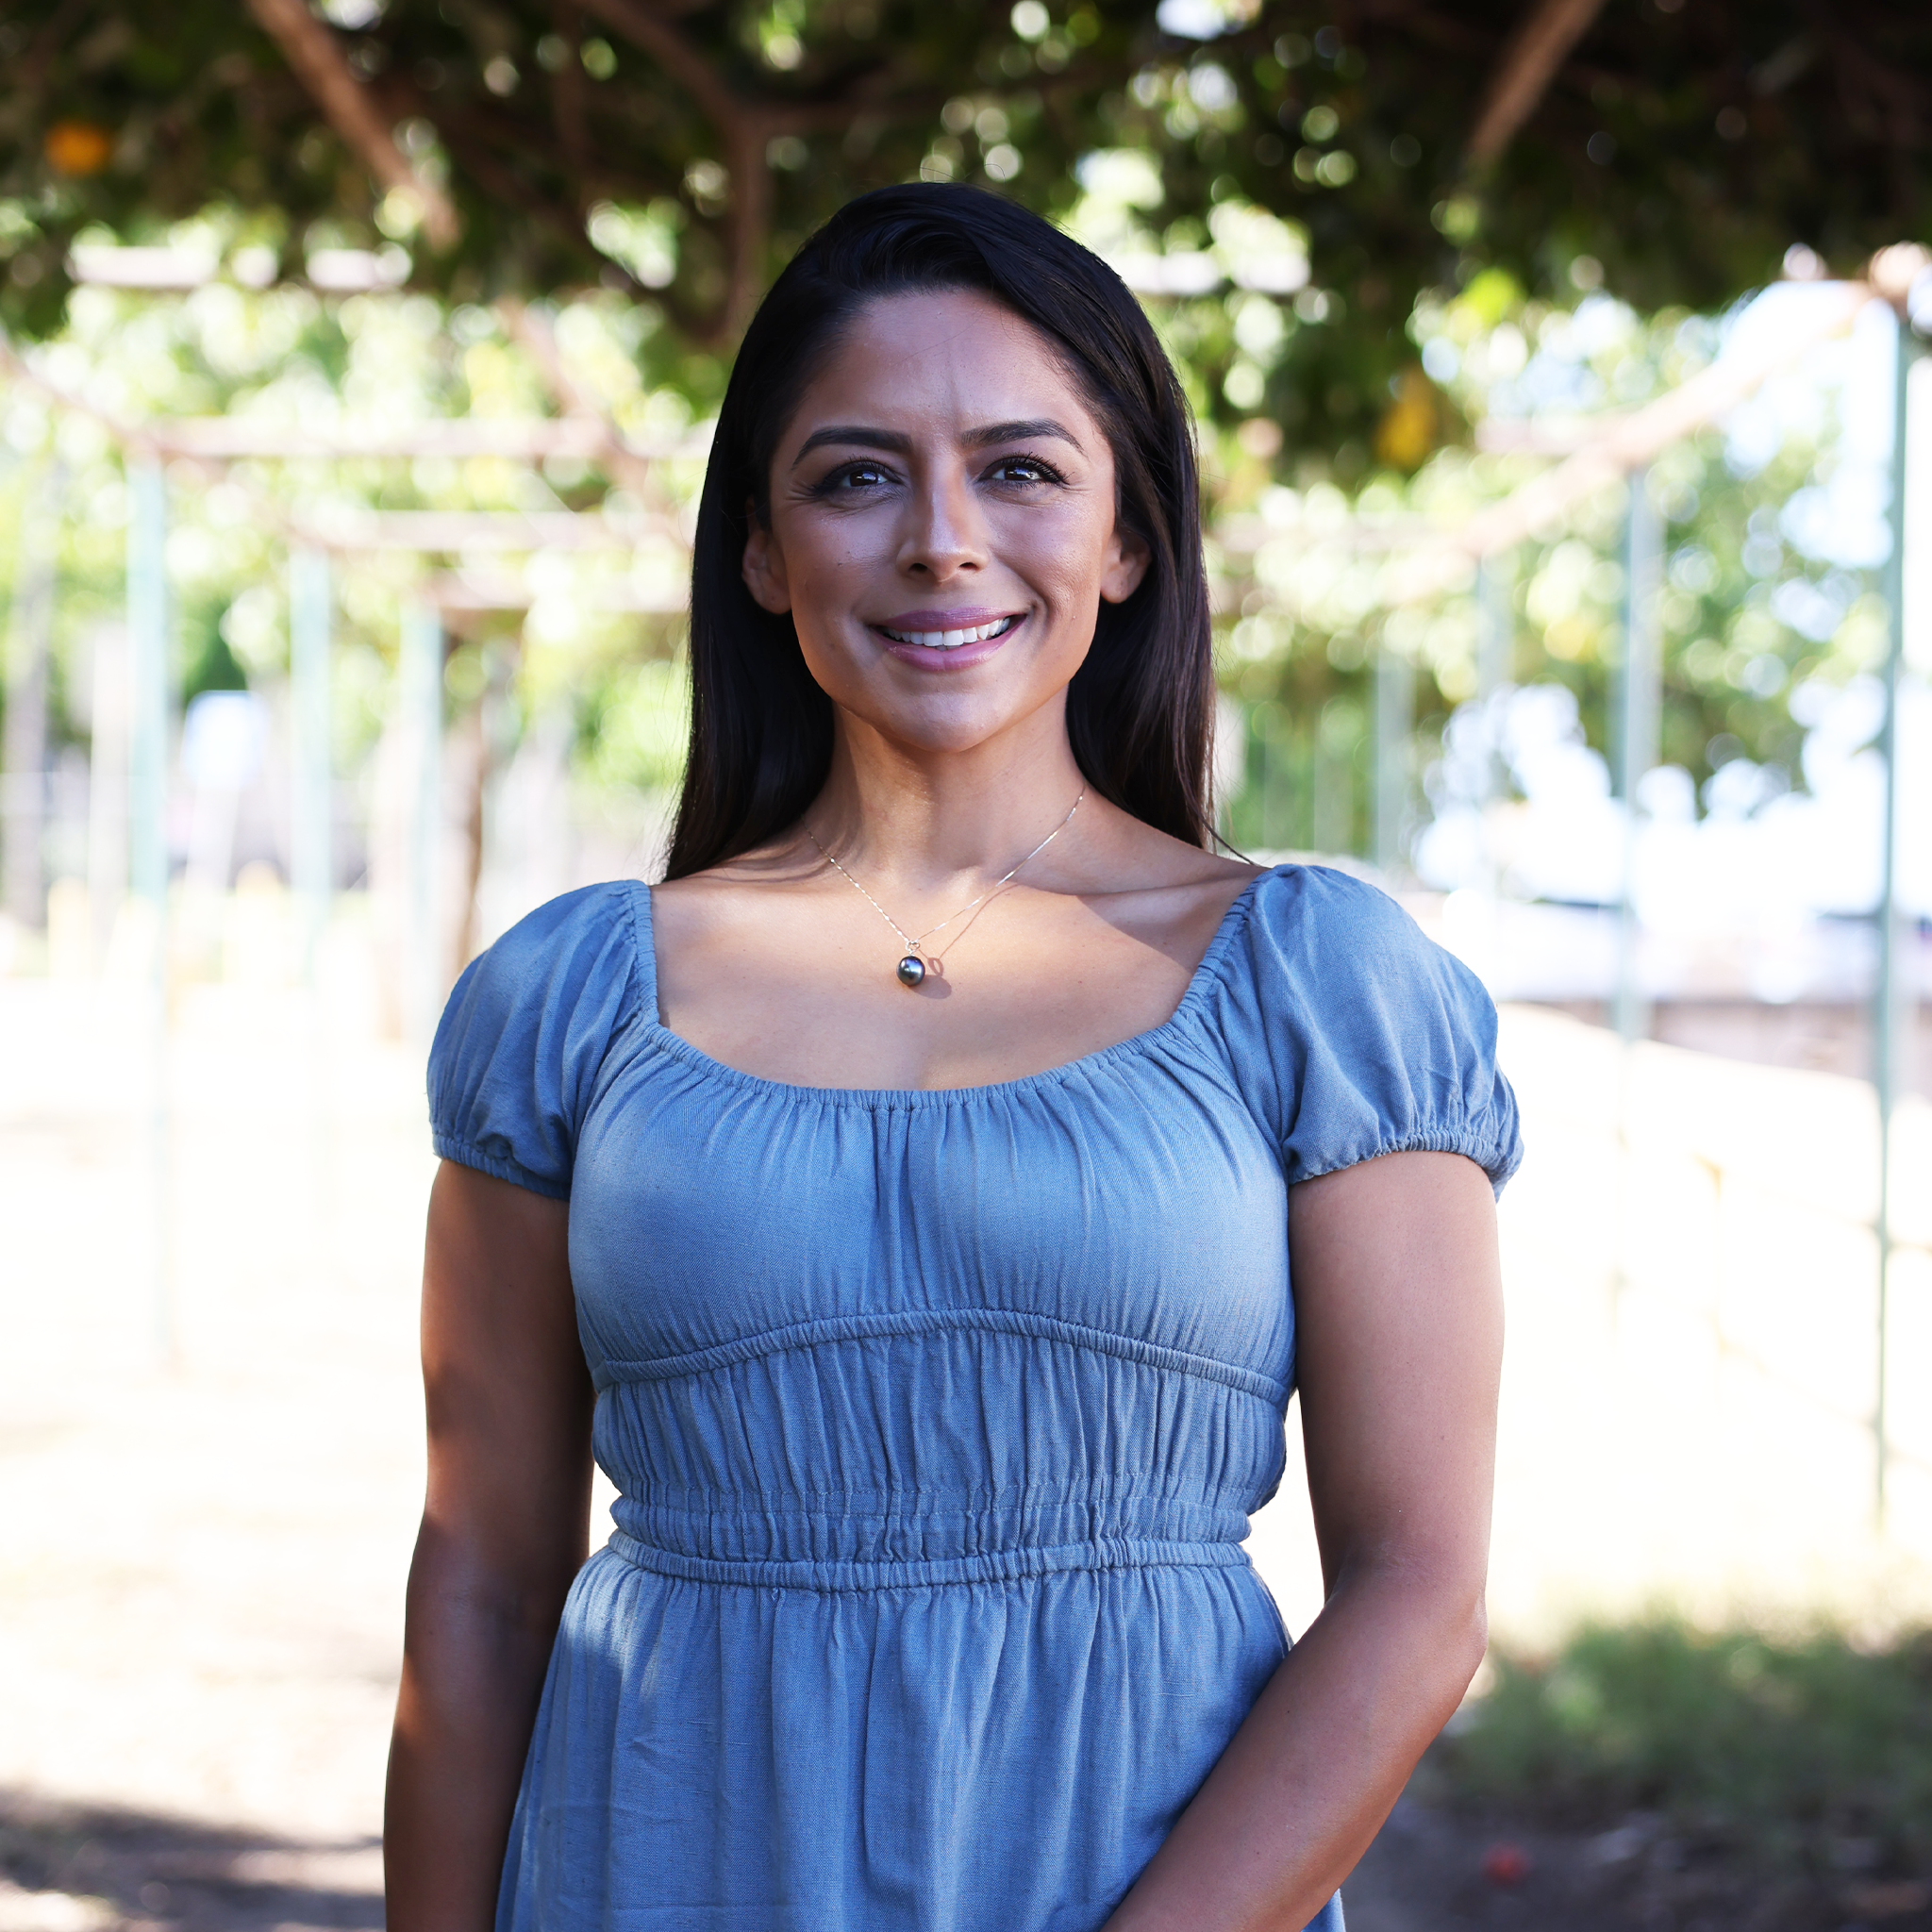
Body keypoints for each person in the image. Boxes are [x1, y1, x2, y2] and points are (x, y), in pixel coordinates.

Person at [384, 182, 1520, 1932]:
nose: (941, 540)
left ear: (1129, 538)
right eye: (854, 475)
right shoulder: (573, 1001)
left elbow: (1418, 1593)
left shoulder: (1319, 987)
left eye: (1022, 468)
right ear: (761, 553)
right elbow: (479, 1572)